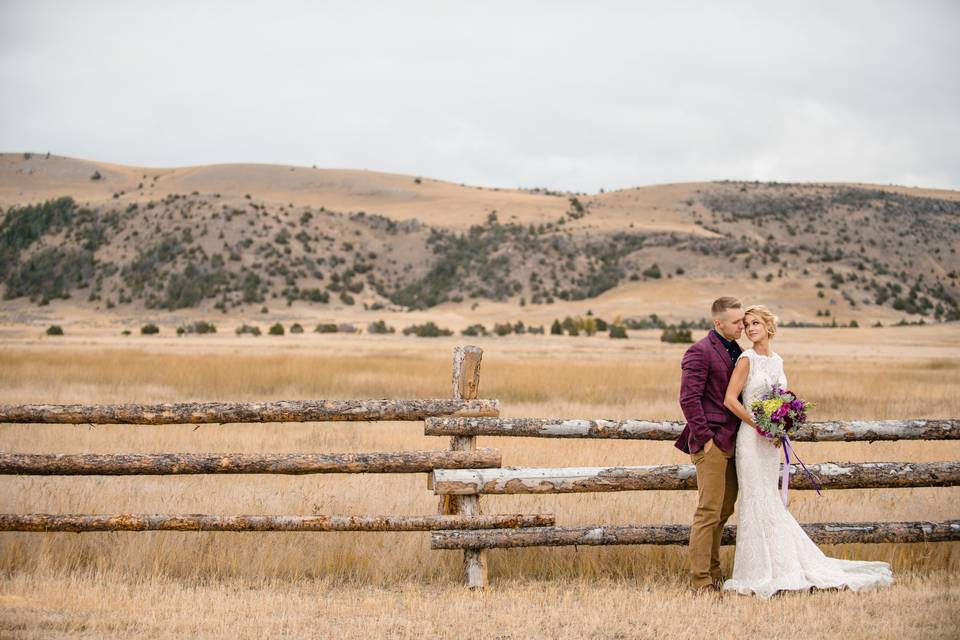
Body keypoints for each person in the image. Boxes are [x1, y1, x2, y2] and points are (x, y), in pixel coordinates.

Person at [721, 304, 894, 597]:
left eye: (755, 324)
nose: (750, 329)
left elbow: (779, 400)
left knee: (771, 500)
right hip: (751, 441)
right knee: (755, 500)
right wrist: (759, 425)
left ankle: (783, 565)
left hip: (771, 443)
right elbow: (730, 400)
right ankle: (756, 571)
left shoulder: (777, 361)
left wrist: (781, 424)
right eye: (747, 325)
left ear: (768, 326)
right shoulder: (746, 360)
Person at [675, 296, 745, 592]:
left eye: (743, 320)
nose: (742, 325)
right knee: (708, 511)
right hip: (713, 442)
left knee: (724, 509)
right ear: (718, 324)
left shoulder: (738, 351)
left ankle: (715, 571)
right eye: (736, 322)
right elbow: (688, 399)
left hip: (736, 442)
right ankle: (700, 581)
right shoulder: (700, 351)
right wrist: (705, 440)